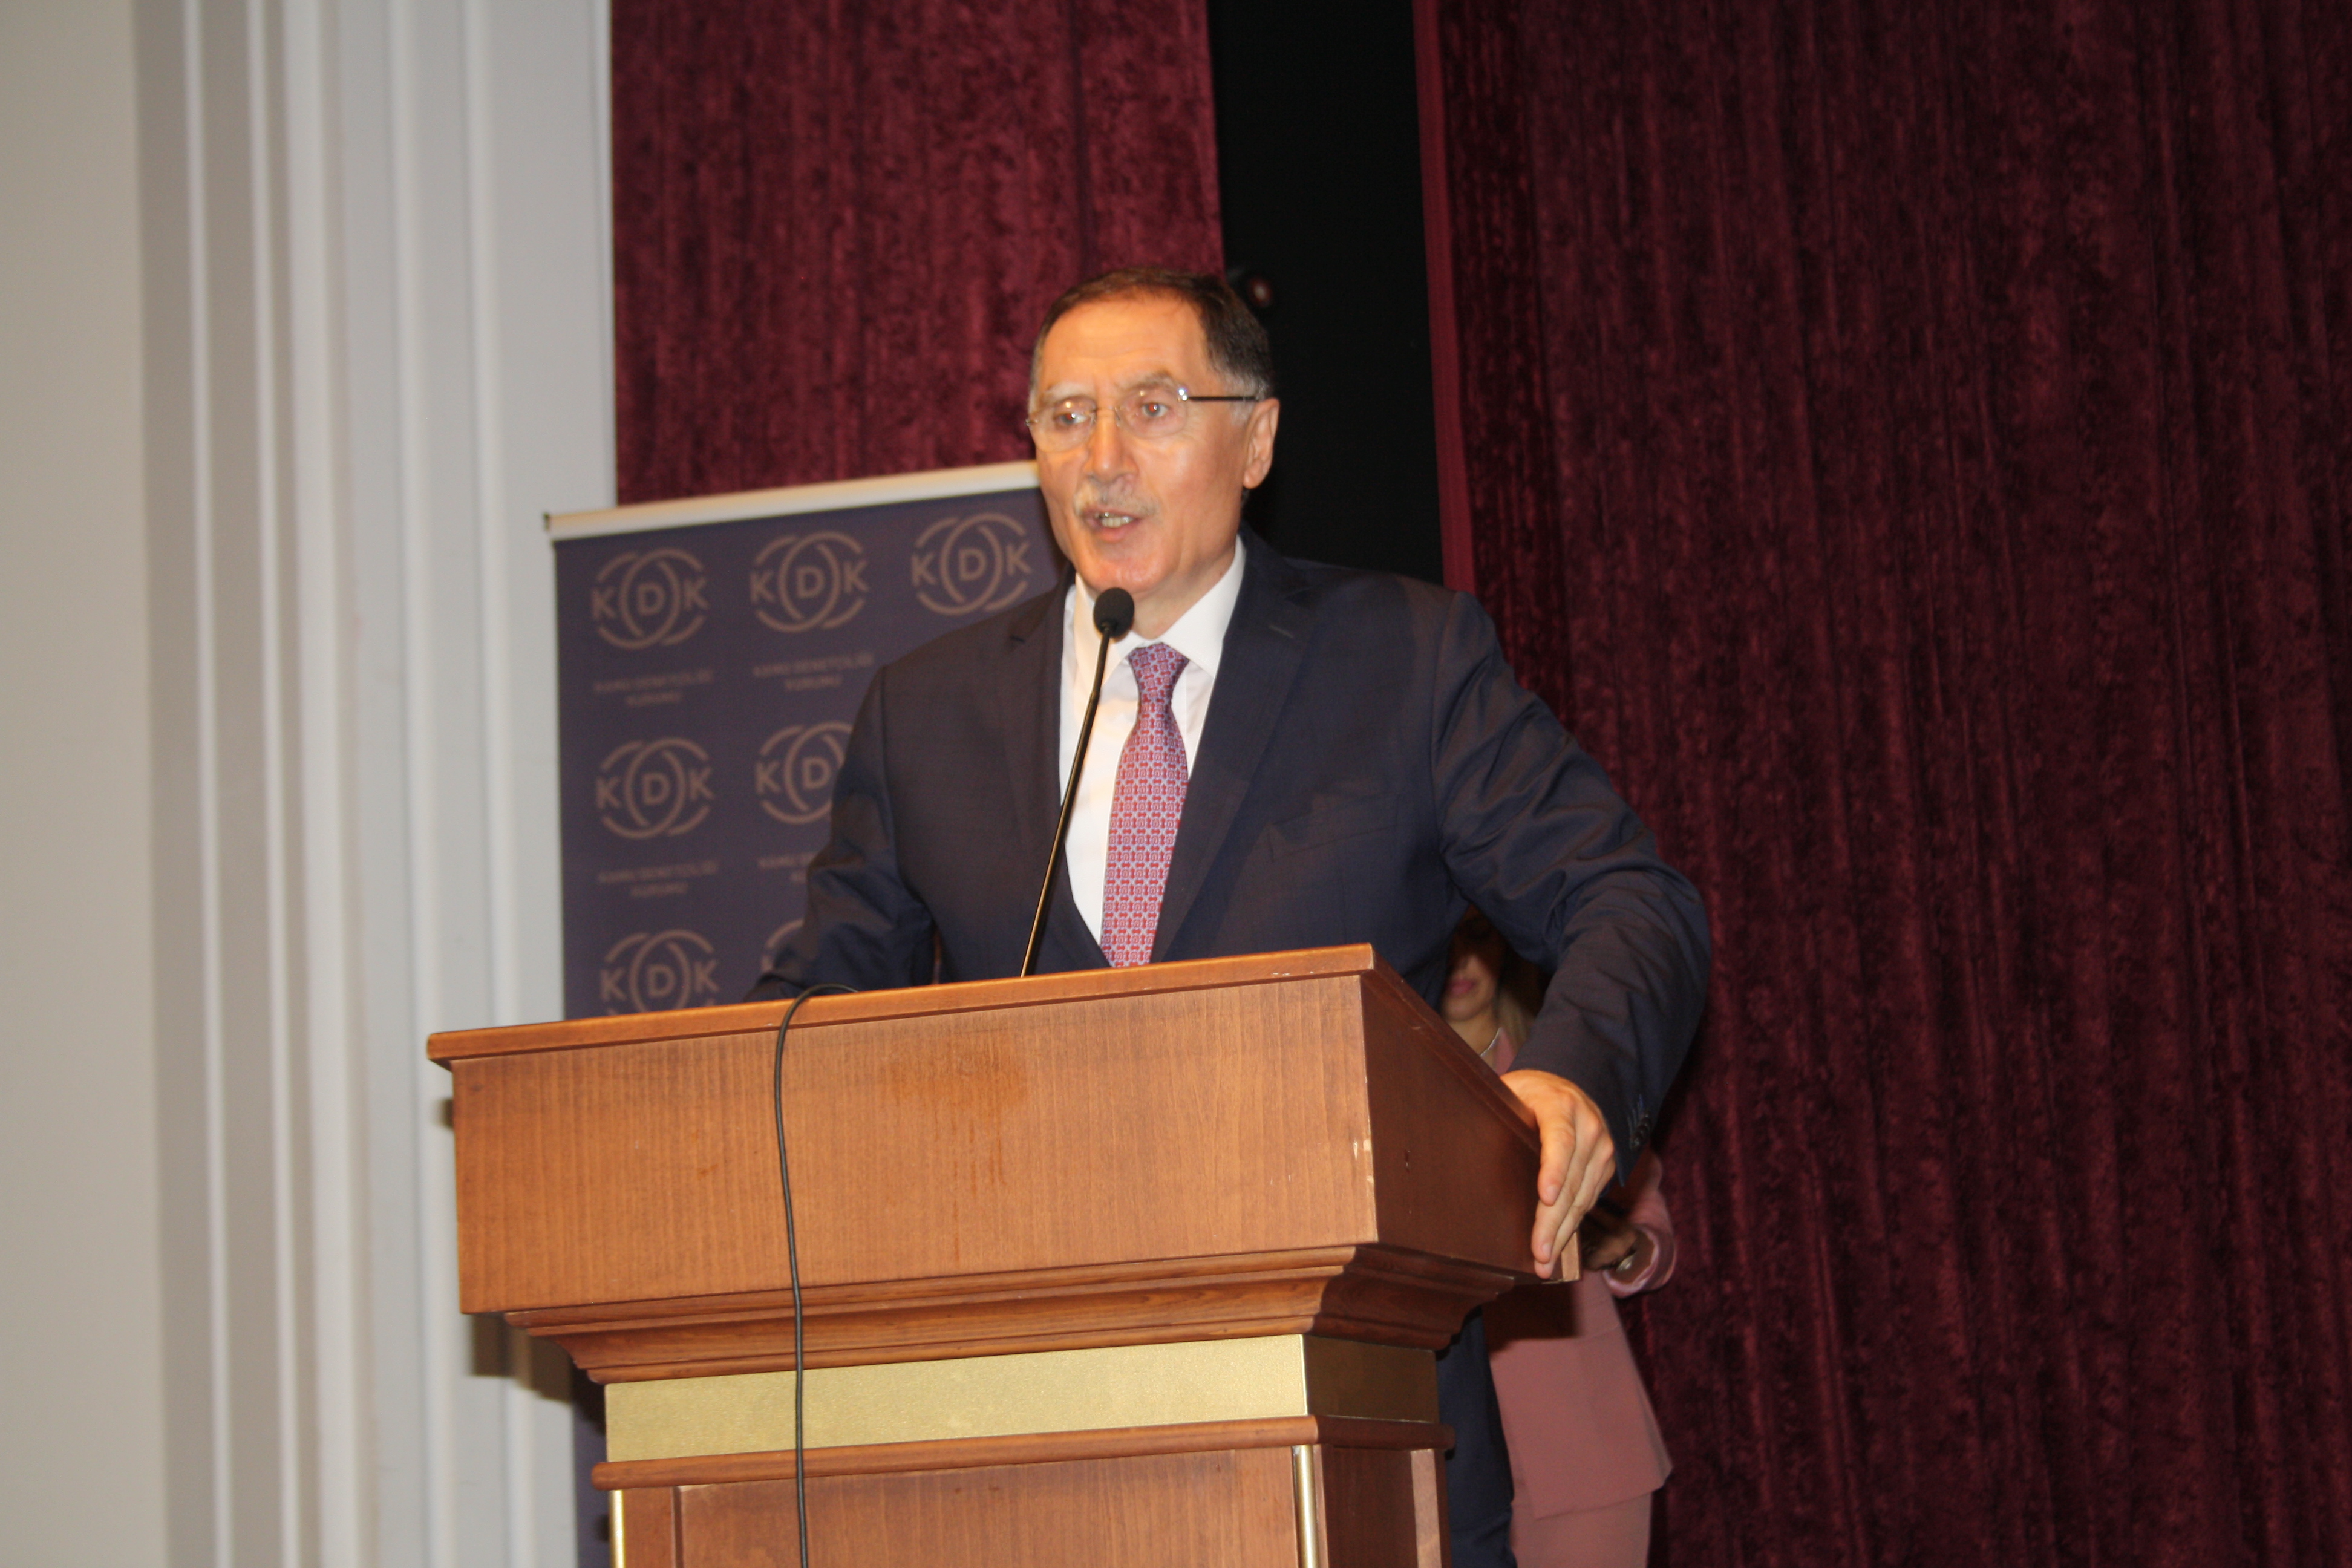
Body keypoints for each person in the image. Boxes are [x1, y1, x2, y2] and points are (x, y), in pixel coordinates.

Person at [751, 266, 1710, 1567]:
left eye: (1152, 408)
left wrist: (1572, 1080)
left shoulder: (1402, 658)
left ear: (1255, 440)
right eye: (1065, 416)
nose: (1102, 459)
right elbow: (816, 1011)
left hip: (1359, 1414)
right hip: (1034, 1443)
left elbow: (1627, 898)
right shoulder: (925, 712)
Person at [1445, 910, 1676, 1567]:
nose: (1463, 962)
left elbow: (1654, 1234)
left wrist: (1624, 1249)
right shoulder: (1391, 1081)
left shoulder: (1568, 1076)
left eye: (1479, 937)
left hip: (1585, 1443)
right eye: (1449, 941)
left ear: (1506, 949)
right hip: (1443, 1447)